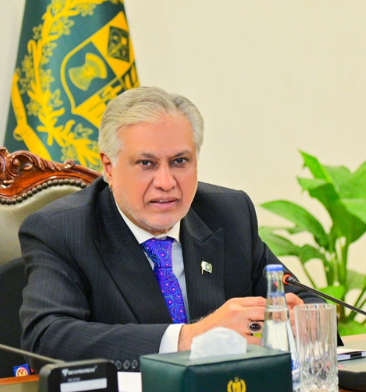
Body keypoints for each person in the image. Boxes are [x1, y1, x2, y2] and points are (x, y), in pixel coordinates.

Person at [19, 86, 321, 371]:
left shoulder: (229, 214)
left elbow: (305, 304)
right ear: (109, 168)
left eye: (179, 161)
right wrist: (189, 338)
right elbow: (47, 337)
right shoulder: (63, 230)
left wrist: (293, 324)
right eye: (146, 163)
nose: (166, 182)